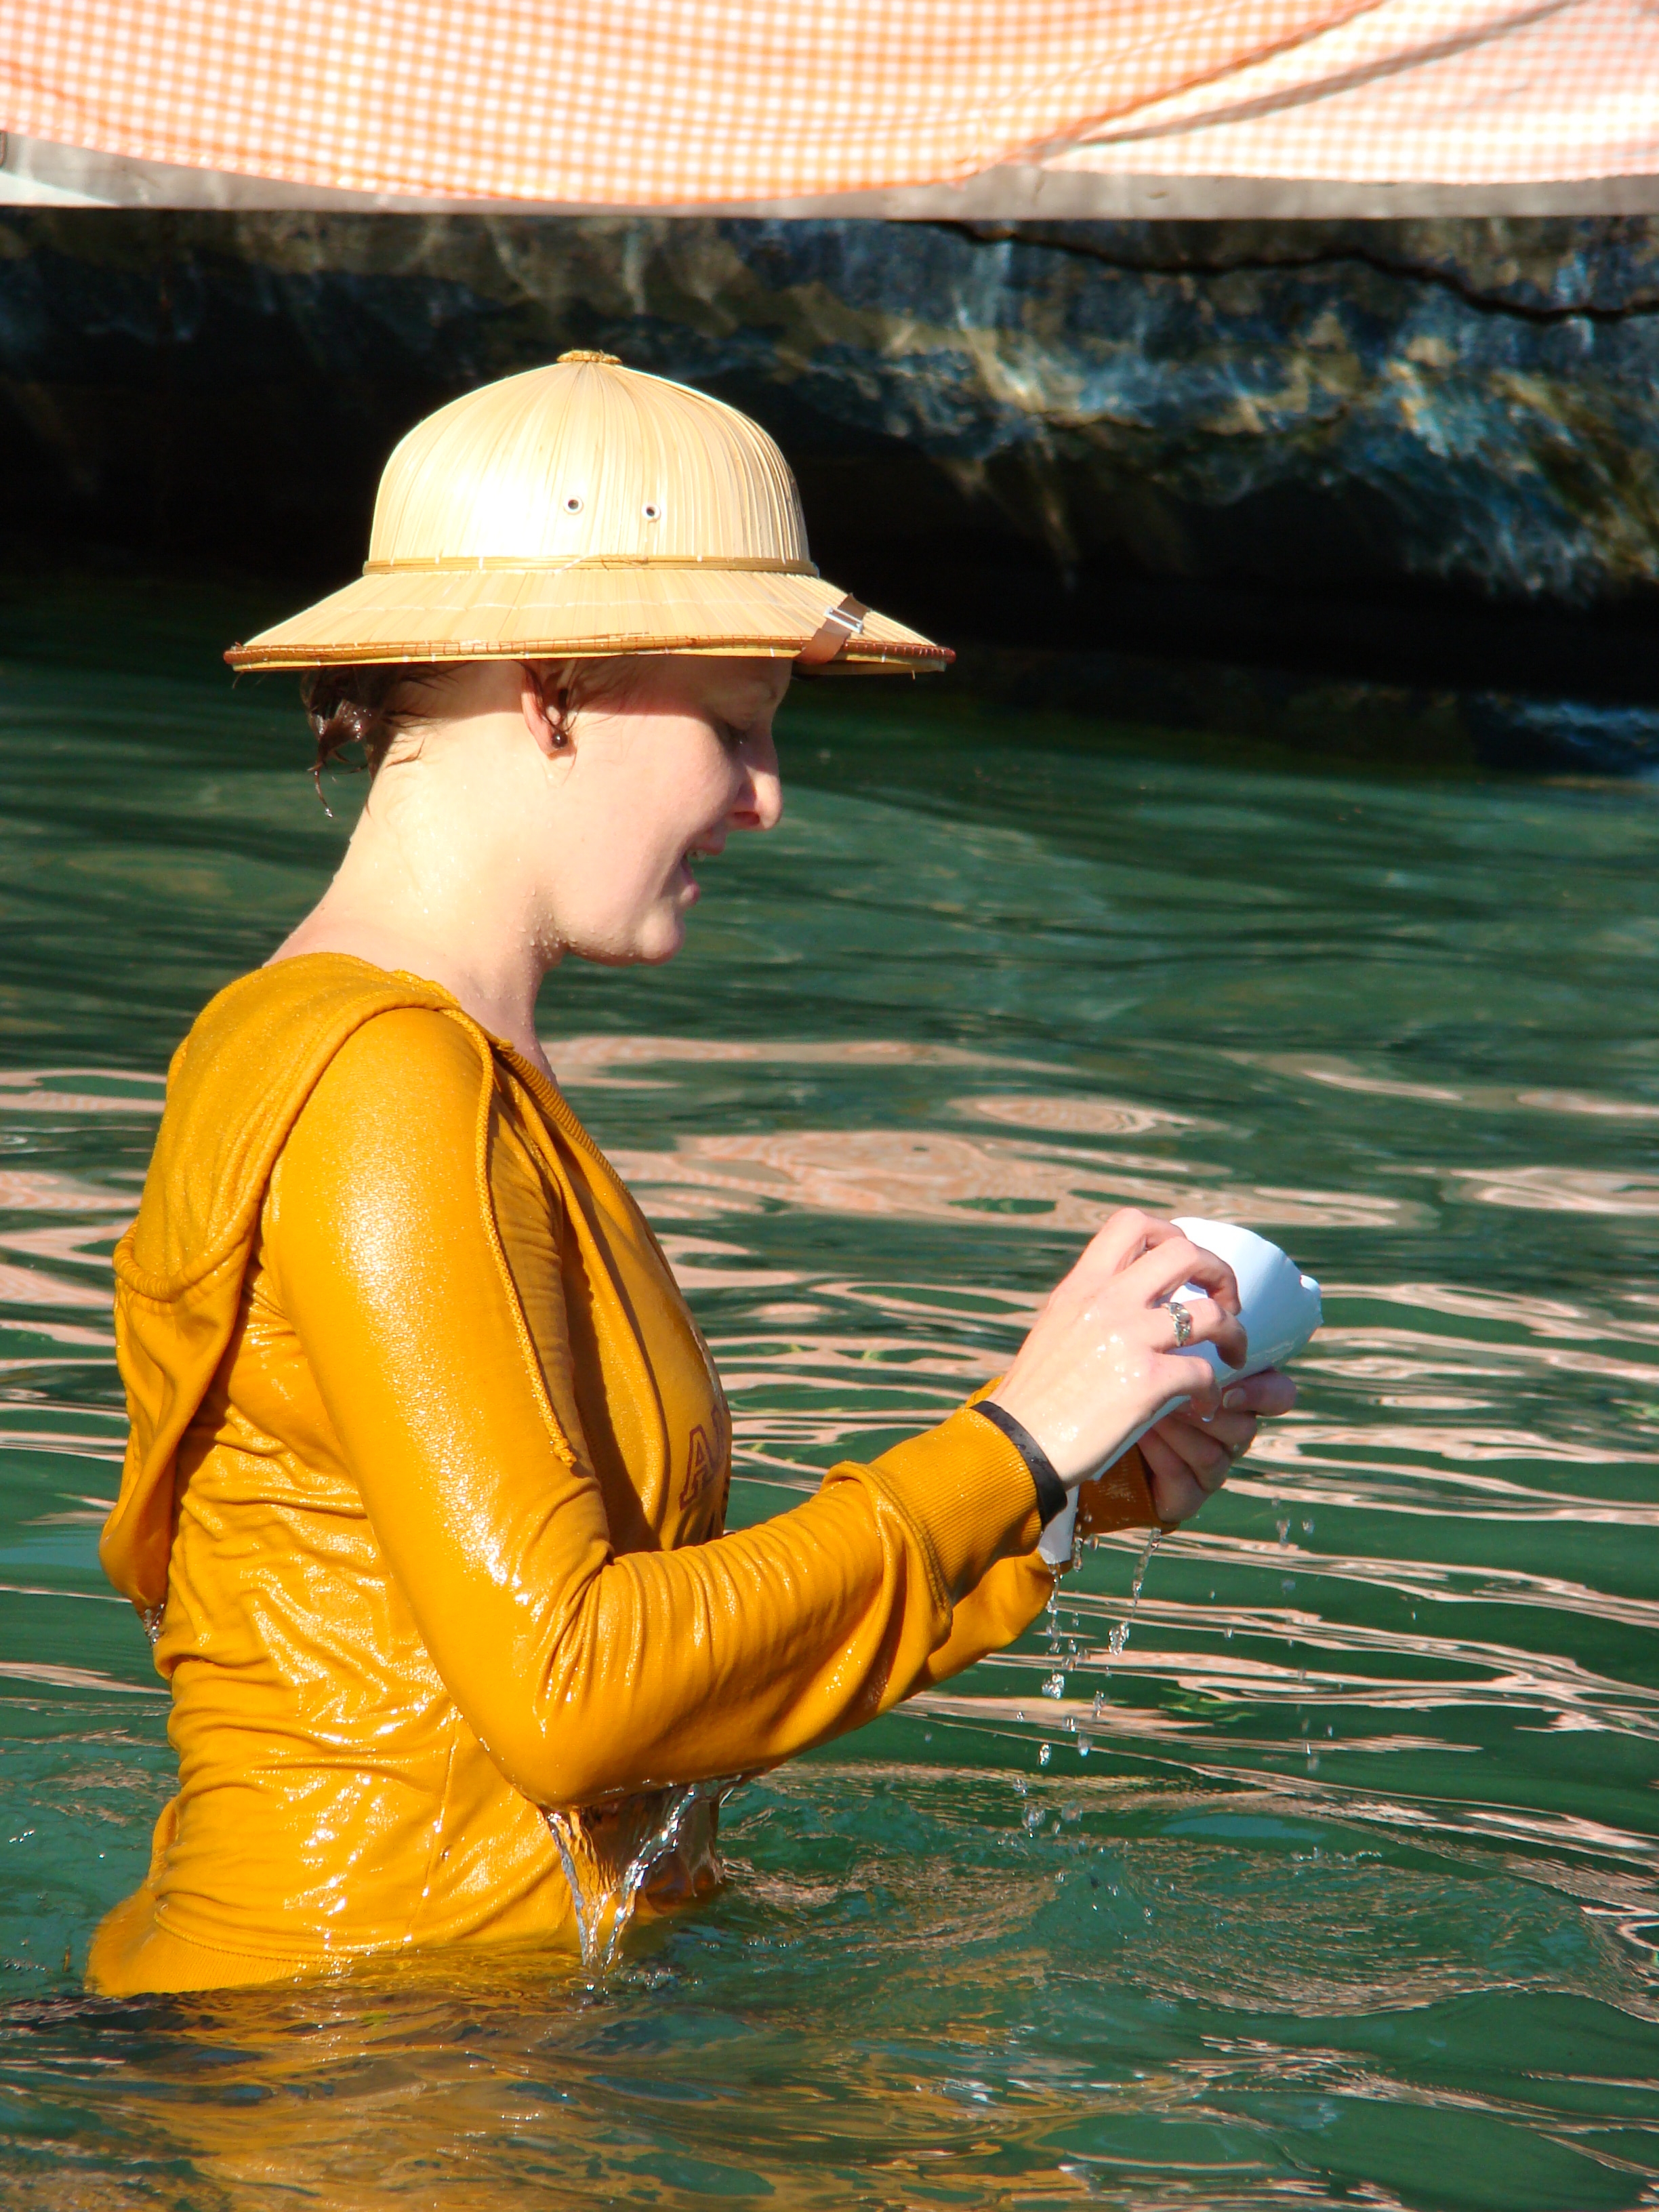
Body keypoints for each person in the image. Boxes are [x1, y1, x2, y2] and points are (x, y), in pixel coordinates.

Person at [88, 354, 1293, 1995]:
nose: (767, 798)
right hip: (347, 2065)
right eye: (733, 724)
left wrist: (1054, 1496)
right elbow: (571, 1697)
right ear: (551, 686)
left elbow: (641, 1676)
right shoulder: (387, 1085)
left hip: (409, 2038)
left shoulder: (399, 1061)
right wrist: (1010, 1440)